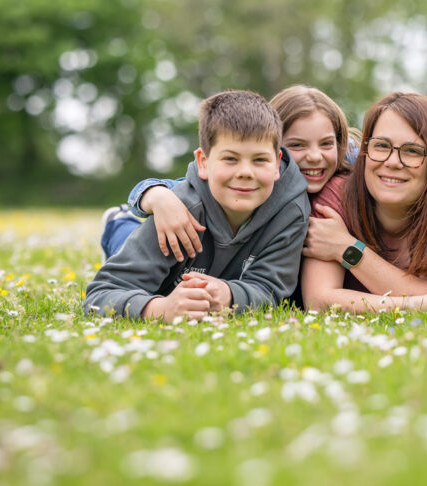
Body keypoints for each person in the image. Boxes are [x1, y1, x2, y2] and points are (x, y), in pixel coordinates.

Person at [83, 90, 310, 321]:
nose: (245, 172)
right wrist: (160, 309)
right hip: (152, 244)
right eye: (230, 159)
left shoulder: (292, 211)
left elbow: (270, 288)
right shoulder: (182, 208)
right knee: (126, 239)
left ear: (276, 163)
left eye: (260, 160)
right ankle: (118, 222)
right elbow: (99, 296)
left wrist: (229, 295)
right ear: (203, 162)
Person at [100, 85, 356, 262]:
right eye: (297, 145)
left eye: (326, 144)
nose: (314, 156)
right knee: (137, 245)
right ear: (273, 148)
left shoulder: (343, 179)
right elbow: (178, 187)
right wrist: (157, 197)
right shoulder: (254, 180)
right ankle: (118, 223)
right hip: (184, 244)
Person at [299, 92, 427, 313]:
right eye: (382, 146)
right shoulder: (337, 196)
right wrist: (417, 306)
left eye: (412, 151)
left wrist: (346, 248)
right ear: (365, 150)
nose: (392, 162)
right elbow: (318, 300)